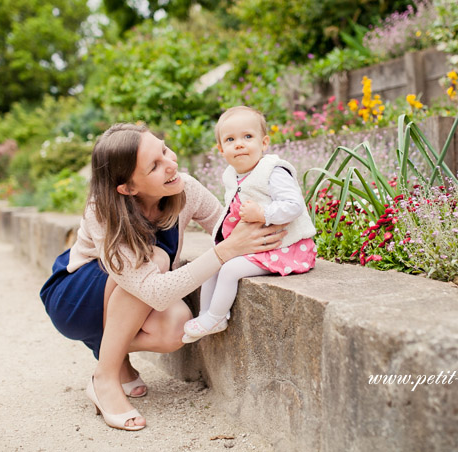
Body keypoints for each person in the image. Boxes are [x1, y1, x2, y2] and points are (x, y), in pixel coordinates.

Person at [39, 122, 286, 431]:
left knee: (176, 327)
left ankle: (117, 360)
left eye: (165, 150)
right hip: (75, 296)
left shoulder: (185, 188)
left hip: (125, 292)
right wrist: (226, 252)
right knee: (153, 257)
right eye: (155, 166)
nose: (171, 164)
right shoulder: (102, 211)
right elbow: (153, 290)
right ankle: (105, 379)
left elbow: (227, 231)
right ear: (127, 187)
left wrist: (282, 232)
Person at [182, 106, 316, 343]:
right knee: (212, 263)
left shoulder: (272, 171)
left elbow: (294, 205)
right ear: (221, 150)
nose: (240, 144)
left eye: (247, 137)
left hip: (284, 247)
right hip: (257, 246)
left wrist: (263, 213)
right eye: (231, 139)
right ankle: (205, 317)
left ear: (264, 143)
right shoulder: (231, 175)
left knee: (230, 270)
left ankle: (216, 316)